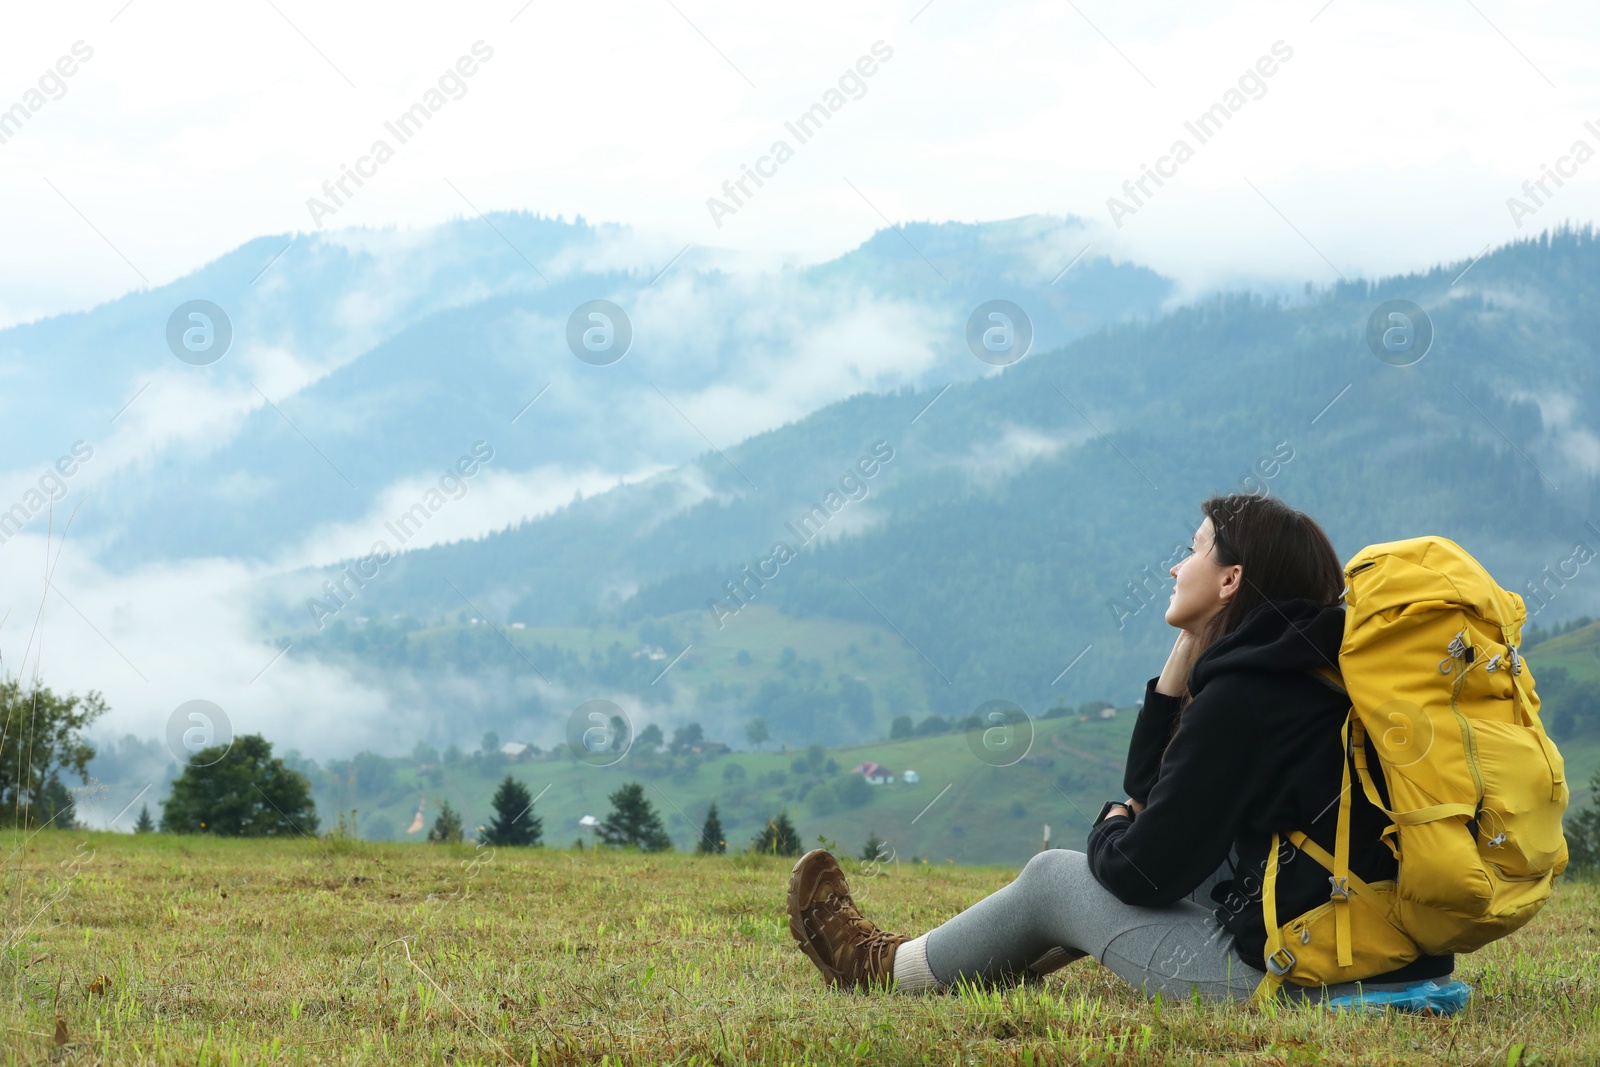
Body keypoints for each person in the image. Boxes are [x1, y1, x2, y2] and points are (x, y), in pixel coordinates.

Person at [786, 494, 1465, 1008]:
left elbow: (1142, 872)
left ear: (1230, 578)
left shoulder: (1248, 697)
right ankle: (975, 966)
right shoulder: (1312, 670)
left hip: (1302, 973)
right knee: (1159, 857)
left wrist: (1109, 828)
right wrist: (1191, 650)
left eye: (1195, 549)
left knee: (1057, 877)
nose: (1176, 564)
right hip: (1394, 958)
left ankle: (881, 969)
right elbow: (1161, 789)